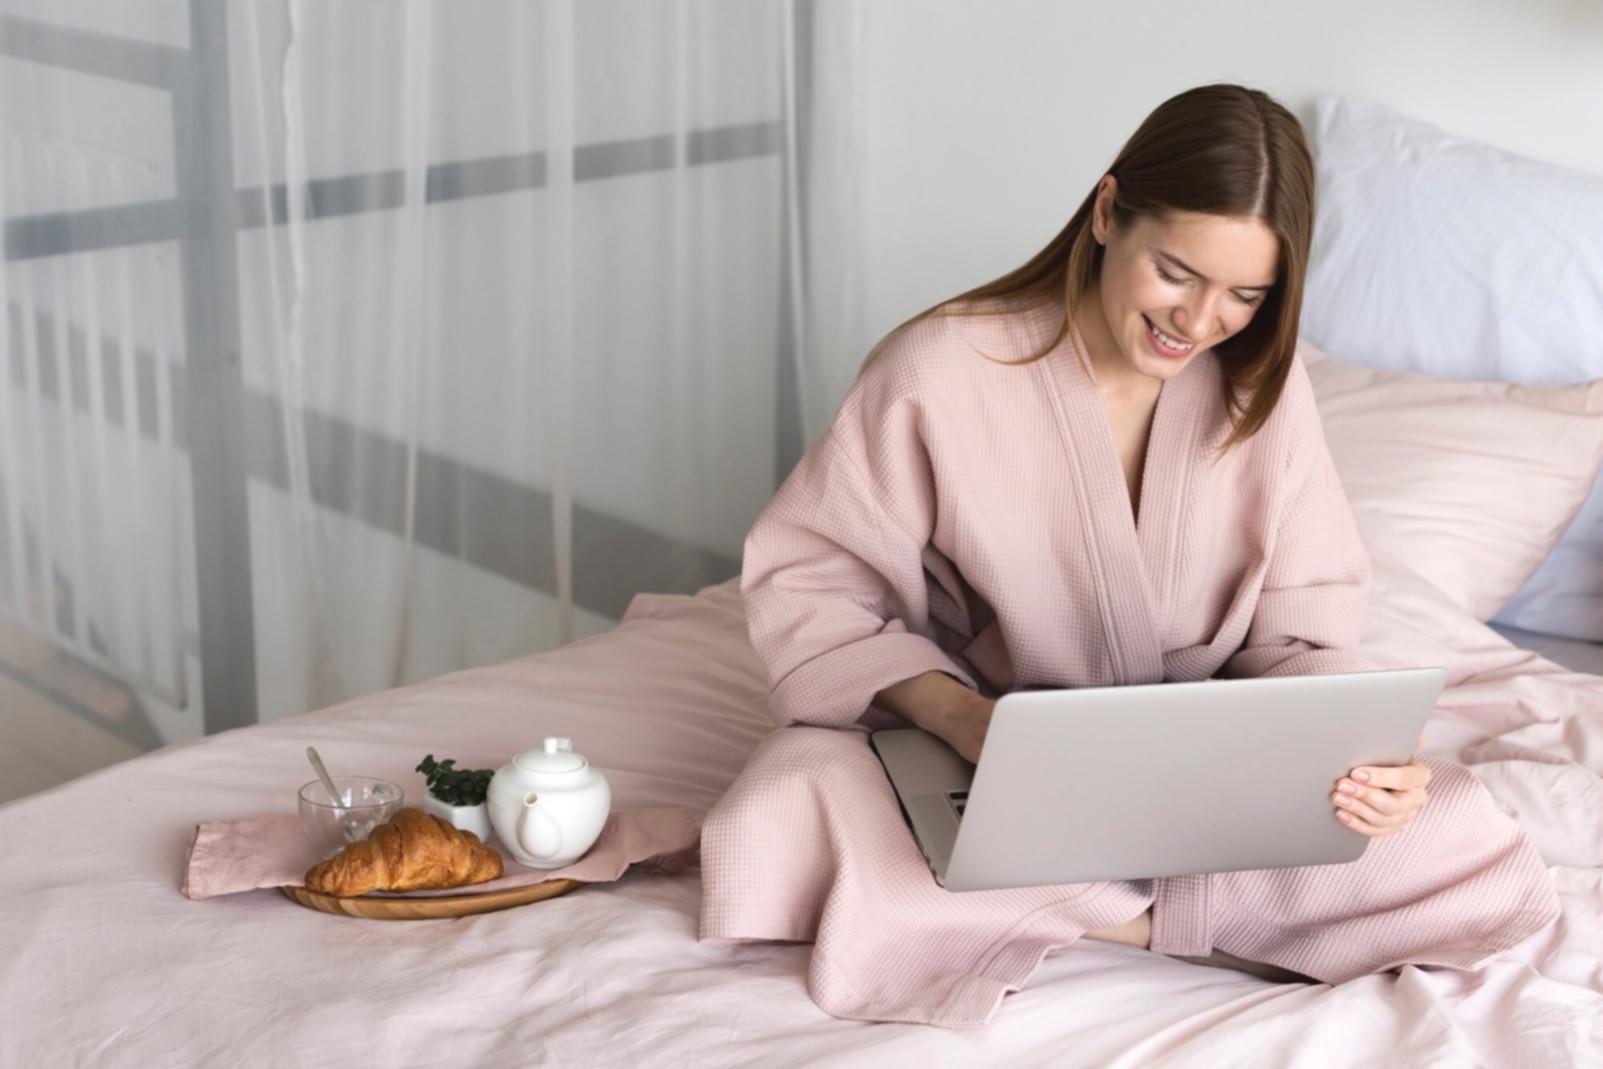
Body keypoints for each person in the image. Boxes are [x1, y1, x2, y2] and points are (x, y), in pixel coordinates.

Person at [698, 83, 1561, 1029]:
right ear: (1108, 212)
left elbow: (1304, 625)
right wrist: (965, 719)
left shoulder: (1260, 392)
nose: (1198, 322)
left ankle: (1108, 917)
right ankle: (1203, 922)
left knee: (1459, 827)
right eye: (1177, 273)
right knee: (784, 801)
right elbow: (814, 584)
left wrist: (1359, 761)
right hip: (978, 761)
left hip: (1207, 769)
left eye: (1245, 295)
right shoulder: (937, 367)